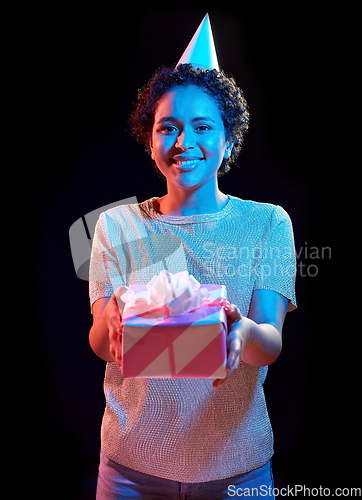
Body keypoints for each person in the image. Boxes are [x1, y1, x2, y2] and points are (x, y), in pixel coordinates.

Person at [88, 15, 297, 500]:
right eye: (168, 128)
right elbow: (102, 344)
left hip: (237, 470)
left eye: (203, 127)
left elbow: (269, 342)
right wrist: (114, 318)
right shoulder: (115, 226)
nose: (184, 143)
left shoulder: (268, 224)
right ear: (150, 139)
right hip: (129, 473)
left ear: (228, 139)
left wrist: (241, 330)